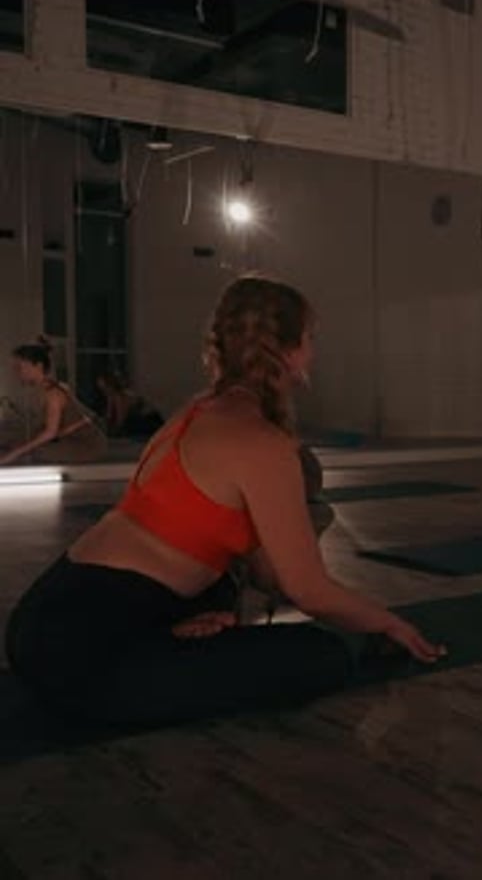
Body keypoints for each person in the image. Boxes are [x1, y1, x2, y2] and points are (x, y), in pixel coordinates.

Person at [6, 277, 446, 731]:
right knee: (321, 654)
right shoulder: (261, 442)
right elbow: (307, 591)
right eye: (310, 339)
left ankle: (169, 634)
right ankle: (161, 644)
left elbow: (266, 572)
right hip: (83, 659)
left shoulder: (193, 414)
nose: (313, 352)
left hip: (40, 621)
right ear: (287, 351)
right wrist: (388, 623)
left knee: (219, 589)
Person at [0, 337, 106, 465]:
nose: (17, 373)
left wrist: (15, 453)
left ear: (38, 366)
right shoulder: (45, 388)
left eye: (19, 368)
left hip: (85, 445)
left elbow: (50, 432)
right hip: (70, 439)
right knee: (14, 444)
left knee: (31, 453)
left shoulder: (53, 394)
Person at [96, 371, 164, 439]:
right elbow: (109, 417)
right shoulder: (111, 396)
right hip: (139, 421)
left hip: (149, 421)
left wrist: (113, 431)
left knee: (128, 427)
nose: (103, 389)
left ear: (110, 385)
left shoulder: (120, 396)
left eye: (104, 386)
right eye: (101, 387)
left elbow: (121, 418)